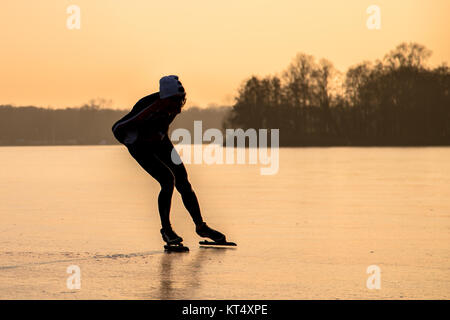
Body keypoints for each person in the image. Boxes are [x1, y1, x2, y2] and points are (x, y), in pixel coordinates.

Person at [112, 75, 226, 245]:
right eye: (176, 101)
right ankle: (166, 230)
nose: (179, 105)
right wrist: (131, 141)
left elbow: (161, 123)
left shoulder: (171, 105)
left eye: (182, 100)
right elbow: (117, 127)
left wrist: (158, 135)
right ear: (165, 99)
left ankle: (201, 226)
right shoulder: (149, 107)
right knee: (167, 180)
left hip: (159, 140)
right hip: (139, 145)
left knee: (183, 180)